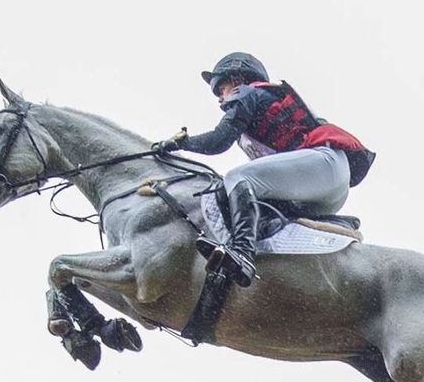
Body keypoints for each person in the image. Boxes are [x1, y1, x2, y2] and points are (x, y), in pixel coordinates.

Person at [154, 53, 375, 289]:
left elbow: (218, 141)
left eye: (221, 88)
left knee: (238, 177)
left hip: (324, 164)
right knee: (259, 205)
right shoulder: (257, 108)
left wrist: (180, 143)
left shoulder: (247, 93)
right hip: (325, 189)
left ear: (237, 78)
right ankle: (324, 232)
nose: (220, 99)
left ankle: (243, 253)